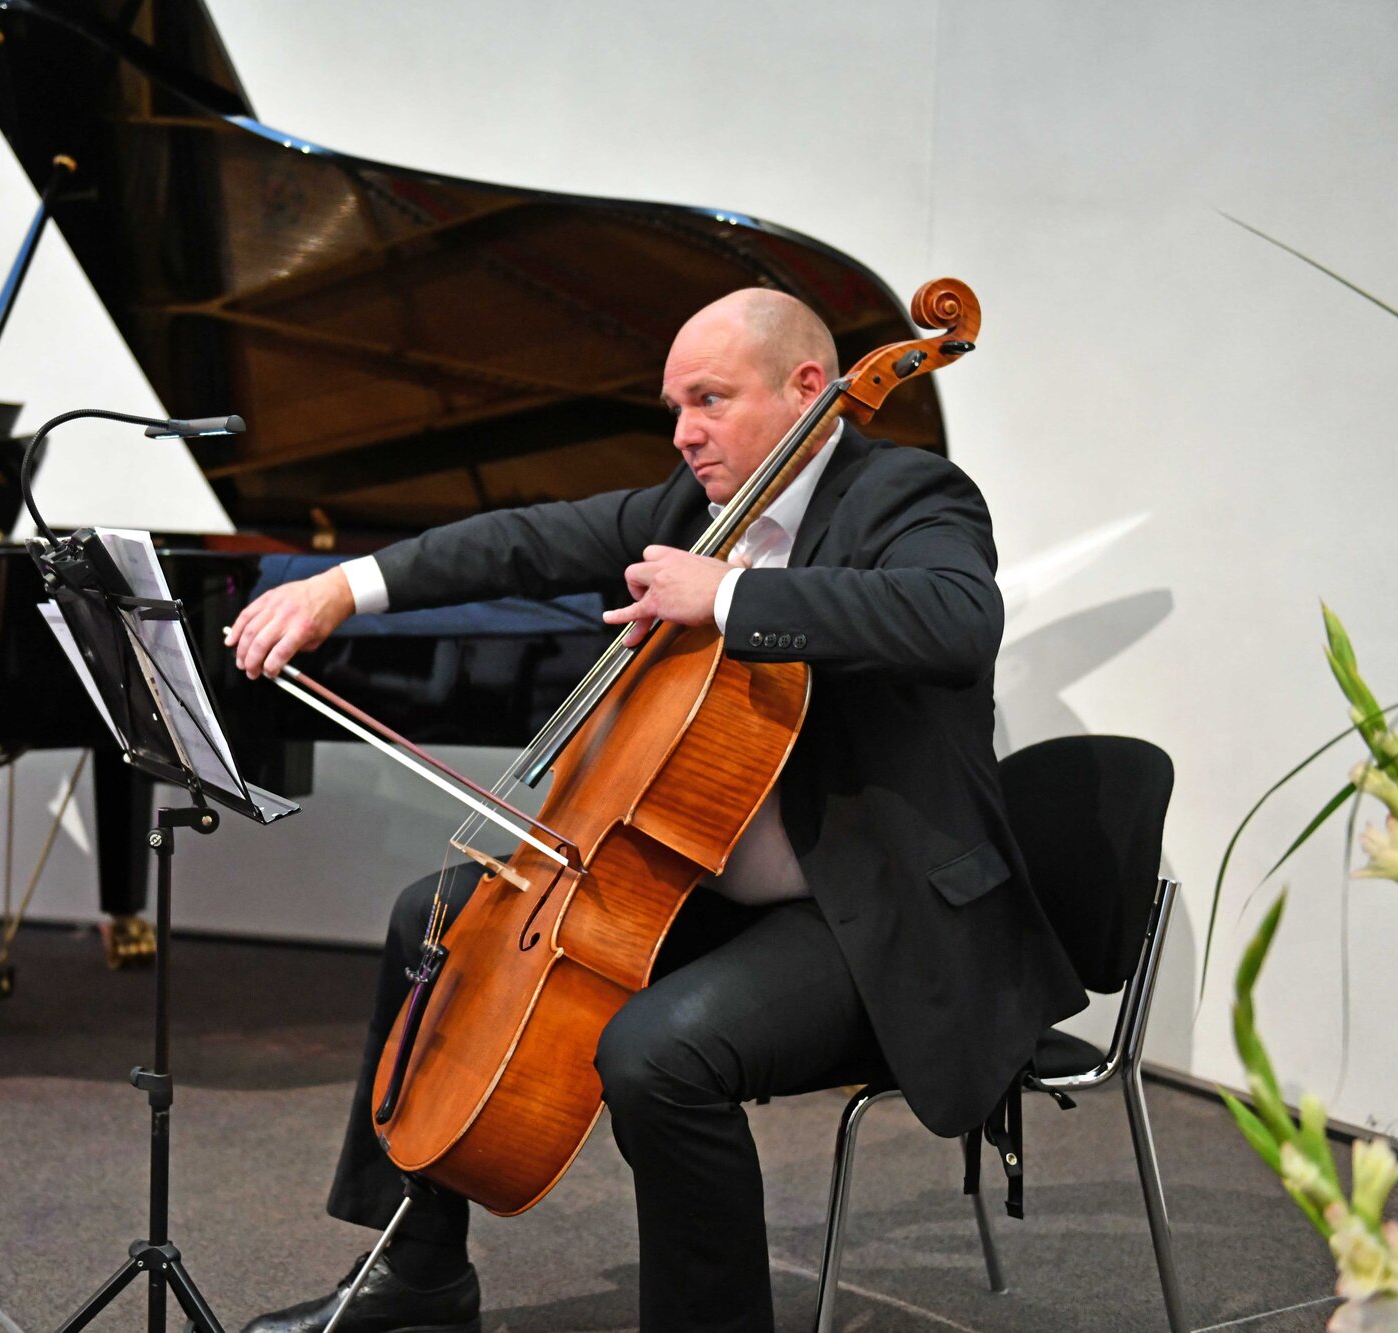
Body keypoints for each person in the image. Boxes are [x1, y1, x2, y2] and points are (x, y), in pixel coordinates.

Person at [220, 288, 1088, 1333]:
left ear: (806, 389)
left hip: (872, 916)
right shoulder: (693, 511)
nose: (683, 434)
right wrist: (339, 590)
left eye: (709, 400)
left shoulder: (908, 494)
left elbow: (956, 619)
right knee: (433, 919)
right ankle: (417, 1270)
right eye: (675, 406)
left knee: (656, 1051)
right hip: (710, 886)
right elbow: (522, 541)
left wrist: (724, 597)